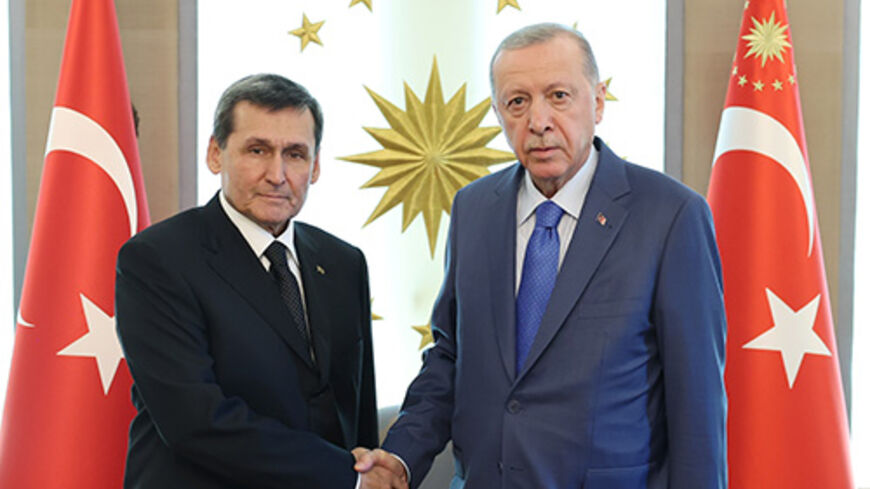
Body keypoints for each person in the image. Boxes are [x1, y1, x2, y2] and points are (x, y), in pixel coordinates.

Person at [356, 23, 727, 488]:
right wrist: (402, 457)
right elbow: (451, 356)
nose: (538, 121)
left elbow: (697, 405)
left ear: (598, 101)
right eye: (517, 102)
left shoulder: (671, 215)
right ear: (498, 112)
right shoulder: (473, 209)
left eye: (558, 96)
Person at [115, 74, 407, 489]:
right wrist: (345, 476)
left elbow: (352, 412)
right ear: (216, 154)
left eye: (295, 154)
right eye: (257, 150)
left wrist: (363, 471)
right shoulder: (157, 259)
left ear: (317, 165)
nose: (277, 174)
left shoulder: (344, 263)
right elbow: (196, 422)